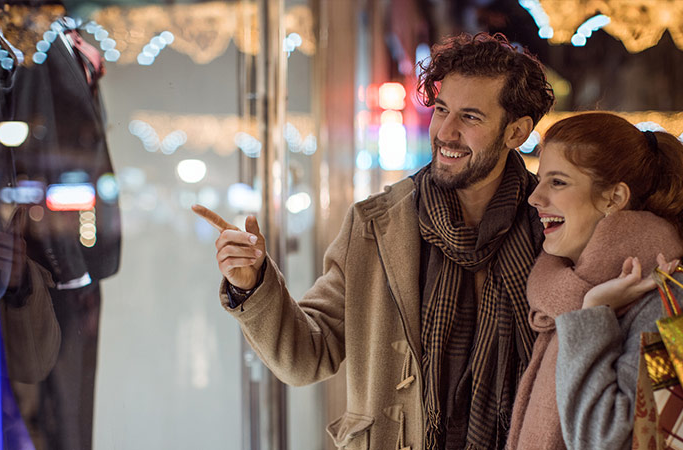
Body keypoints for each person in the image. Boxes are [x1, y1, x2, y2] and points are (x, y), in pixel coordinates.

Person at [193, 32, 555, 449]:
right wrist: (252, 283)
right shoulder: (377, 225)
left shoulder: (548, 225)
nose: (447, 132)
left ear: (516, 132)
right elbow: (308, 356)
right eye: (441, 110)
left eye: (470, 117)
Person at [506, 112, 683, 449]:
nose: (535, 197)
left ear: (614, 199)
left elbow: (603, 441)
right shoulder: (562, 291)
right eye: (540, 179)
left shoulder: (668, 297)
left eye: (557, 182)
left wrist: (593, 314)